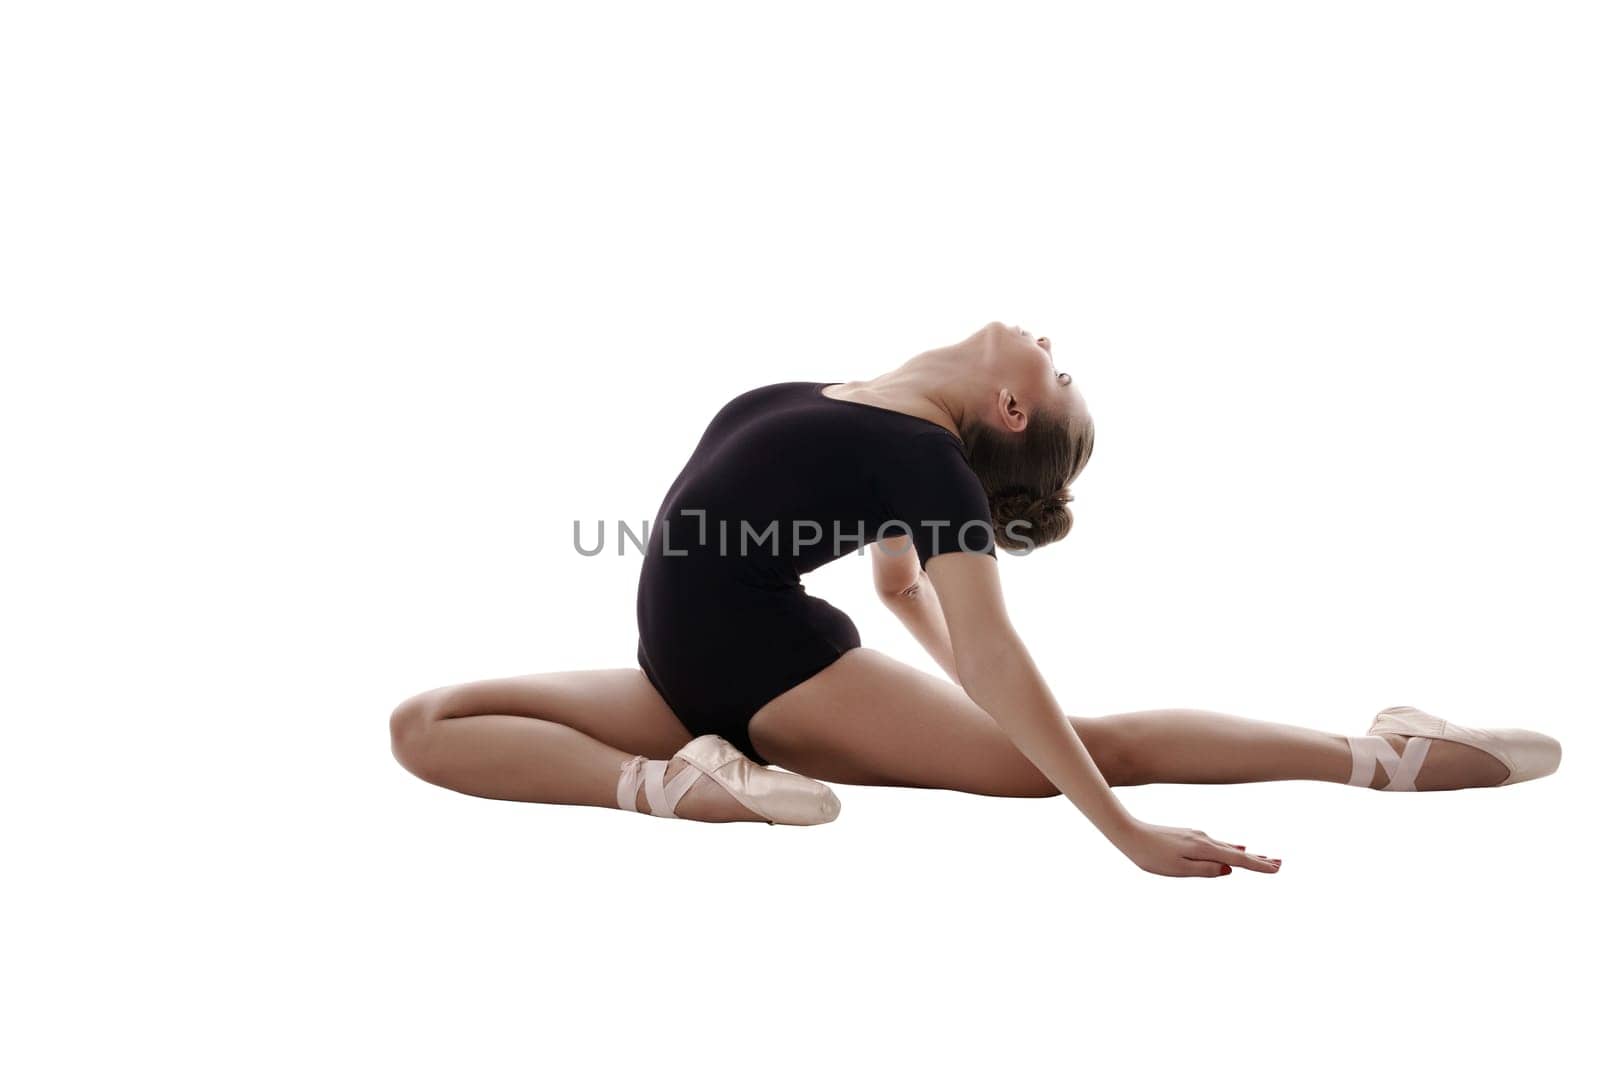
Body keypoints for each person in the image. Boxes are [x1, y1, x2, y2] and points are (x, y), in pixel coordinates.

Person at [388, 321, 1561, 877]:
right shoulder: (840, 398)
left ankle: (1385, 754)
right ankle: (679, 786)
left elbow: (988, 641)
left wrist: (1119, 832)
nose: (1048, 346)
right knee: (427, 722)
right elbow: (897, 584)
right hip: (680, 682)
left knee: (1092, 751)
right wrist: (963, 700)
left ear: (1011, 412)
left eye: (1056, 373)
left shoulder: (927, 465)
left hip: (781, 671)